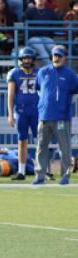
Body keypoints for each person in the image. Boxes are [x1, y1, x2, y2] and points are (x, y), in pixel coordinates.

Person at [33, 46, 78, 185]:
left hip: (61, 117)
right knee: (41, 147)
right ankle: (40, 176)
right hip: (44, 116)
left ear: (65, 57)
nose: (56, 58)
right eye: (54, 55)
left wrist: (65, 107)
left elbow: (75, 93)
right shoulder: (43, 72)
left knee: (64, 147)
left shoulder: (70, 74)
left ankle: (65, 176)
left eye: (59, 55)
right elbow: (39, 90)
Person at [7, 47, 39, 181]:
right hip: (21, 110)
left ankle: (43, 170)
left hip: (37, 110)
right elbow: (11, 95)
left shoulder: (39, 73)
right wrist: (10, 114)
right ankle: (21, 171)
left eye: (29, 58)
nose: (27, 61)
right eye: (25, 58)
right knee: (22, 141)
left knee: (41, 142)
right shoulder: (14, 73)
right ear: (20, 59)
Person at [25, 0, 62, 65]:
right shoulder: (29, 11)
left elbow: (56, 24)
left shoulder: (50, 11)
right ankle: (53, 69)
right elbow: (25, 25)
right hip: (33, 38)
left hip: (47, 37)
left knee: (56, 50)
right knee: (43, 52)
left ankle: (62, 69)